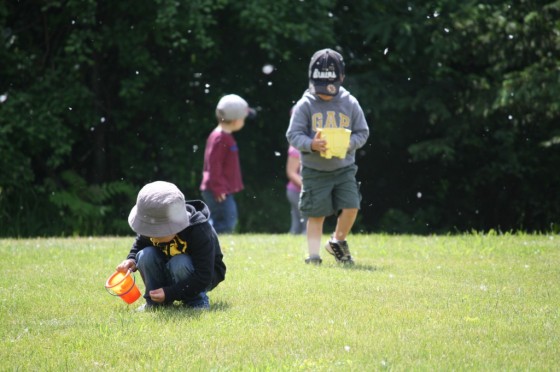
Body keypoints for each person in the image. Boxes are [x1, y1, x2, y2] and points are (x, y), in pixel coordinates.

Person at [286, 48, 370, 265]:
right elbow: (293, 135)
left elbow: (363, 132)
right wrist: (312, 144)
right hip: (314, 170)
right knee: (316, 214)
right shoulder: (305, 104)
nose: (324, 95)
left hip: (344, 167)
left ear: (341, 78)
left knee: (352, 206)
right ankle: (313, 256)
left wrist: (349, 144)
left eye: (329, 90)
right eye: (320, 89)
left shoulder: (350, 103)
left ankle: (336, 242)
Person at [116, 181, 226, 310]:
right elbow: (140, 244)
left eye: (157, 233)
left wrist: (170, 293)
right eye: (149, 232)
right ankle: (155, 303)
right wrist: (131, 259)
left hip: (199, 279)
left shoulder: (199, 231)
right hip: (168, 271)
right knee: (145, 255)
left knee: (180, 261)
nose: (152, 238)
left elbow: (204, 276)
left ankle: (197, 302)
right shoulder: (151, 229)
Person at [200, 94, 253, 234]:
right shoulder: (220, 138)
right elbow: (214, 165)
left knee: (220, 220)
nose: (244, 122)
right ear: (236, 121)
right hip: (217, 190)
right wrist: (218, 188)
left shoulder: (224, 136)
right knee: (226, 222)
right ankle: (214, 250)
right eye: (244, 119)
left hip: (219, 188)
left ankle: (209, 246)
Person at [286, 145, 306, 234]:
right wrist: (308, 187)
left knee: (297, 223)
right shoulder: (296, 149)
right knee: (307, 221)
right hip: (296, 192)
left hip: (298, 191)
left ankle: (293, 240)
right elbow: (291, 173)